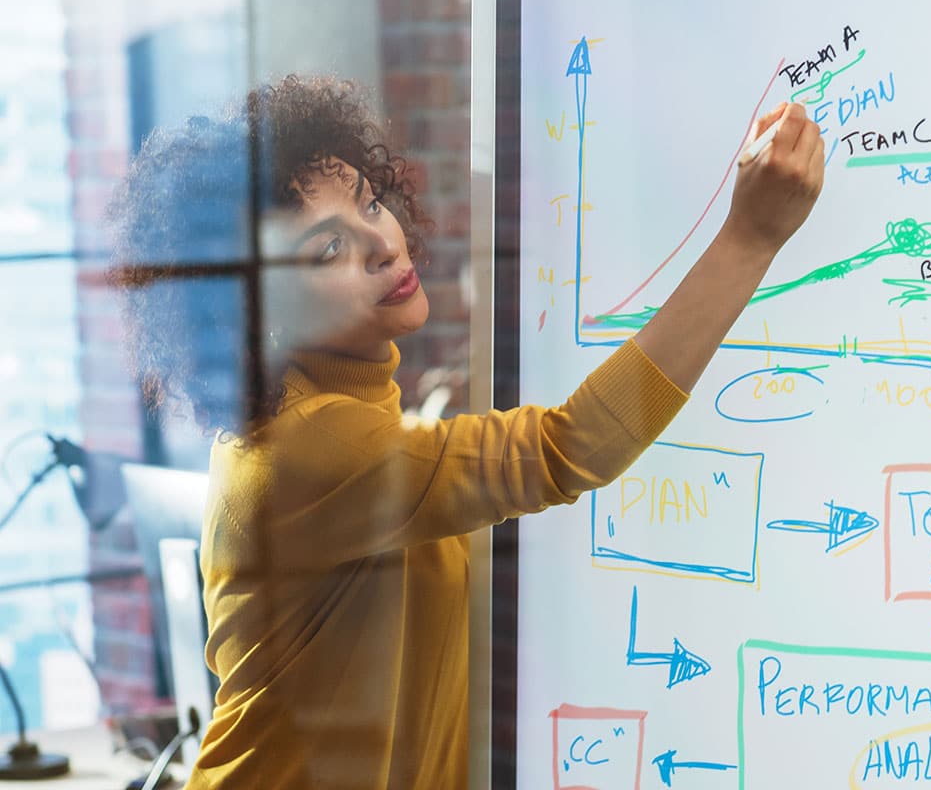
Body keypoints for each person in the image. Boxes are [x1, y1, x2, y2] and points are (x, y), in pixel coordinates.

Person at [108, 75, 824, 789]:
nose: (383, 243)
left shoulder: (341, 423)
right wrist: (751, 238)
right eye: (326, 250)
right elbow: (568, 447)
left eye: (370, 203)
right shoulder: (309, 448)